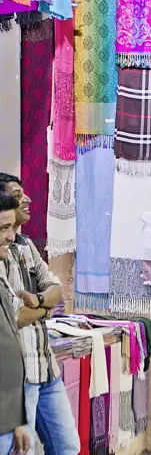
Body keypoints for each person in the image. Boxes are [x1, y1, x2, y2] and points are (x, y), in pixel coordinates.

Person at [0, 174, 80, 454]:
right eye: (17, 195)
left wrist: (39, 301)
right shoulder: (2, 253)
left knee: (68, 446)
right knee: (24, 449)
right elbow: (14, 315)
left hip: (46, 365)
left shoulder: (24, 245)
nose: (26, 200)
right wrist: (45, 307)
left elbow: (54, 288)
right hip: (21, 375)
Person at [0, 194, 31, 455]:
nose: (11, 237)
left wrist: (18, 421)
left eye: (12, 228)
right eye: (3, 228)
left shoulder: (1, 283)